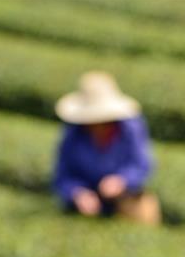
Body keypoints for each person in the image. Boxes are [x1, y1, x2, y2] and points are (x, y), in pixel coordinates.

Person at [52, 71, 160, 223]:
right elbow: (63, 176)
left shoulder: (131, 129)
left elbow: (142, 165)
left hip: (124, 202)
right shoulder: (73, 134)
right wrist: (78, 193)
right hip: (85, 209)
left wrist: (121, 180)